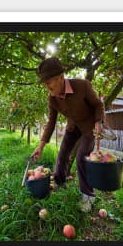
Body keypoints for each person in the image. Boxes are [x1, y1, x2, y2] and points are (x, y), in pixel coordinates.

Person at [31, 57, 105, 212]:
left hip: (89, 127)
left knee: (82, 158)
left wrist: (99, 122)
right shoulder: (52, 99)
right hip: (73, 127)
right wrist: (41, 145)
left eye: (49, 81)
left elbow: (98, 104)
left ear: (60, 77)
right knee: (62, 155)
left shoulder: (83, 86)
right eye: (44, 82)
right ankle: (59, 182)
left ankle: (88, 195)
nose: (46, 85)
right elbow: (51, 123)